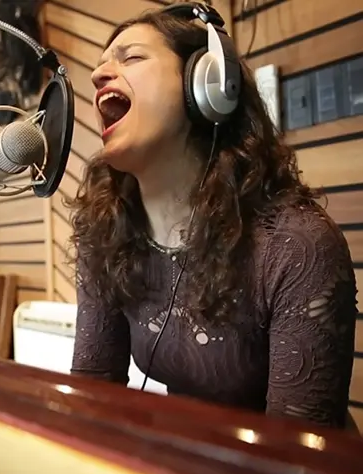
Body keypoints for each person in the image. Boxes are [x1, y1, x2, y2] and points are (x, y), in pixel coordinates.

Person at [66, 4, 358, 429]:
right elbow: (93, 396)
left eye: (131, 57)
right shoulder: (106, 231)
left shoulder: (296, 246)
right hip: (182, 459)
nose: (98, 75)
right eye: (101, 65)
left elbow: (295, 455)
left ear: (208, 86)